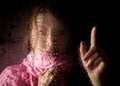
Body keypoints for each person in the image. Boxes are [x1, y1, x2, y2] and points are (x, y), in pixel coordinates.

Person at [0, 1, 108, 86]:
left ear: (69, 38)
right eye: (42, 32)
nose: (50, 42)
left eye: (60, 33)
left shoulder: (82, 74)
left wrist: (97, 81)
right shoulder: (11, 78)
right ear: (29, 35)